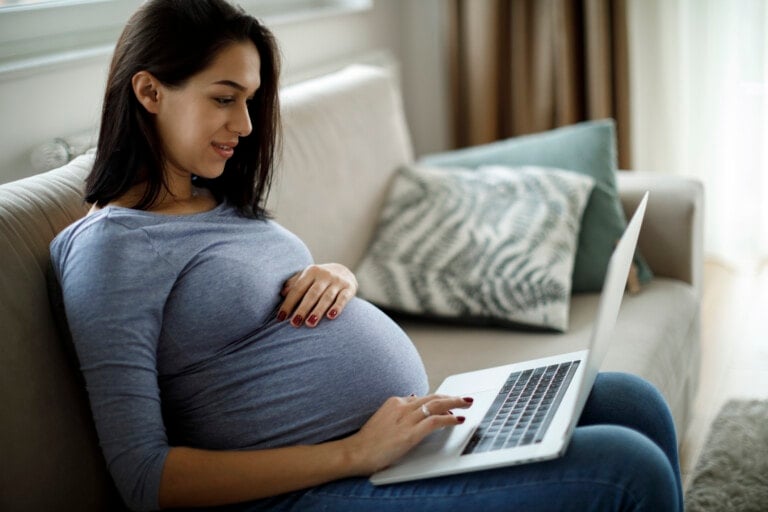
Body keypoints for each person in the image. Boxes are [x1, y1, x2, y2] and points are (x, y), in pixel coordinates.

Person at [50, 1, 684, 511]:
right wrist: (356, 454)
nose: (245, 126)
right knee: (627, 471)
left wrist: (338, 273)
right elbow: (145, 478)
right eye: (224, 97)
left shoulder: (217, 198)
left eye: (250, 99)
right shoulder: (111, 251)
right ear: (150, 92)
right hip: (314, 486)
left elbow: (261, 303)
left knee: (632, 402)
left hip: (393, 440)